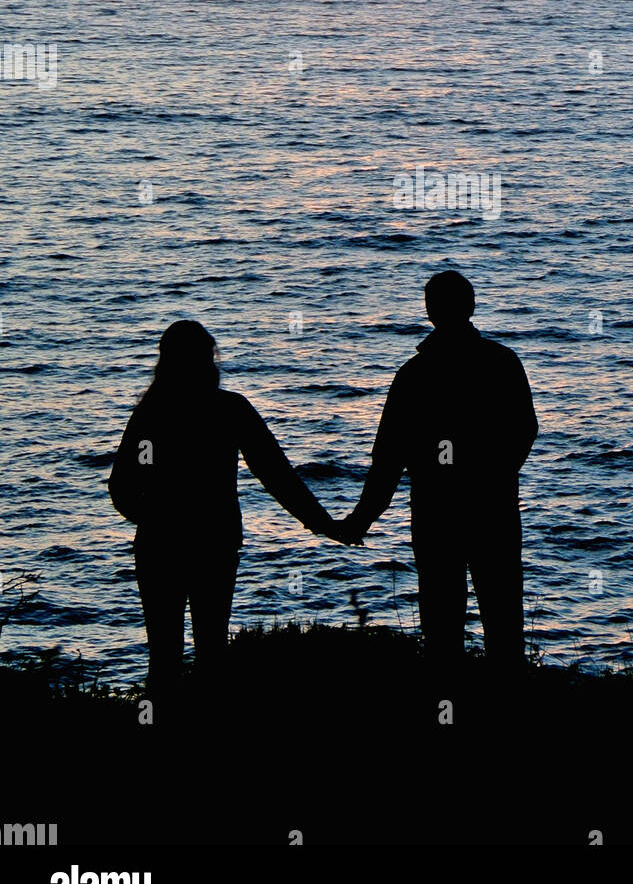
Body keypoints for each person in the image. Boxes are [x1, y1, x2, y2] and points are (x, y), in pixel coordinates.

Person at [108, 319, 341, 692]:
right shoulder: (229, 410)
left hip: (158, 547)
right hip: (214, 544)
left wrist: (157, 520)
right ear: (208, 360)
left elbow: (121, 488)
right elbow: (277, 475)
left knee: (163, 656)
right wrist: (324, 524)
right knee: (212, 652)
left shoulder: (151, 414)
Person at [338, 271, 538, 667]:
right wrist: (495, 475)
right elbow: (524, 431)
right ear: (472, 307)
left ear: (430, 312)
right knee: (504, 623)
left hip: (436, 513)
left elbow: (388, 459)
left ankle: (446, 709)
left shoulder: (415, 375)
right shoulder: (502, 363)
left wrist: (361, 519)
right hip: (493, 509)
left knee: (442, 627)